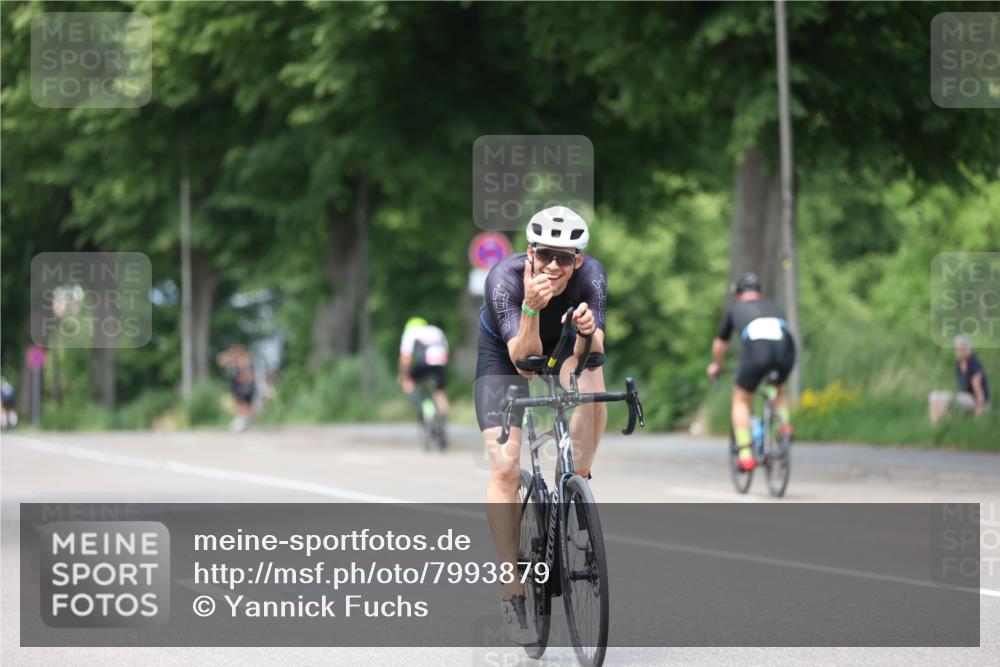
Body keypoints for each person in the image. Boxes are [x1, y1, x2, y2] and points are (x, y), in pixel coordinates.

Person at [475, 205, 607, 644]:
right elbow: (524, 363)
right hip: (507, 352)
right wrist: (532, 308)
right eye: (545, 255)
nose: (553, 265)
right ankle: (511, 582)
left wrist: (588, 330)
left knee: (591, 381)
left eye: (564, 258)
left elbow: (595, 349)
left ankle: (579, 479)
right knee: (506, 467)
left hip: (566, 342)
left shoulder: (592, 278)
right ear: (530, 252)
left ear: (579, 260)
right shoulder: (505, 279)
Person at [707, 272, 796, 472]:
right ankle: (783, 428)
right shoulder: (774, 306)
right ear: (759, 292)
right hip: (786, 350)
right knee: (776, 388)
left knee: (741, 399)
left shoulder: (734, 309)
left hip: (757, 352)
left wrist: (717, 365)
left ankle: (746, 455)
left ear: (738, 294)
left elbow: (720, 345)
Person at [398, 317, 450, 426]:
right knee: (440, 392)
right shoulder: (436, 330)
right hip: (439, 364)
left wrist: (404, 375)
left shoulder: (410, 333)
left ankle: (420, 407)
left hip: (422, 363)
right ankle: (443, 420)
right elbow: (446, 351)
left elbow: (405, 359)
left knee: (408, 382)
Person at [928, 335, 991, 423]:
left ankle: (940, 428)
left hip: (976, 400)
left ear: (967, 348)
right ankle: (940, 427)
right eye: (957, 349)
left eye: (961, 348)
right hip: (965, 398)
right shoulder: (959, 364)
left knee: (938, 398)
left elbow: (976, 384)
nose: (959, 351)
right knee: (935, 397)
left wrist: (980, 406)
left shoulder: (974, 362)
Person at [216, 344, 256, 432]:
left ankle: (244, 421)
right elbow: (220, 360)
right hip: (238, 384)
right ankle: (242, 420)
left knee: (244, 403)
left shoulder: (244, 359)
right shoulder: (234, 360)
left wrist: (246, 381)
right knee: (239, 403)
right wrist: (231, 357)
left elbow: (248, 373)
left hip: (244, 384)